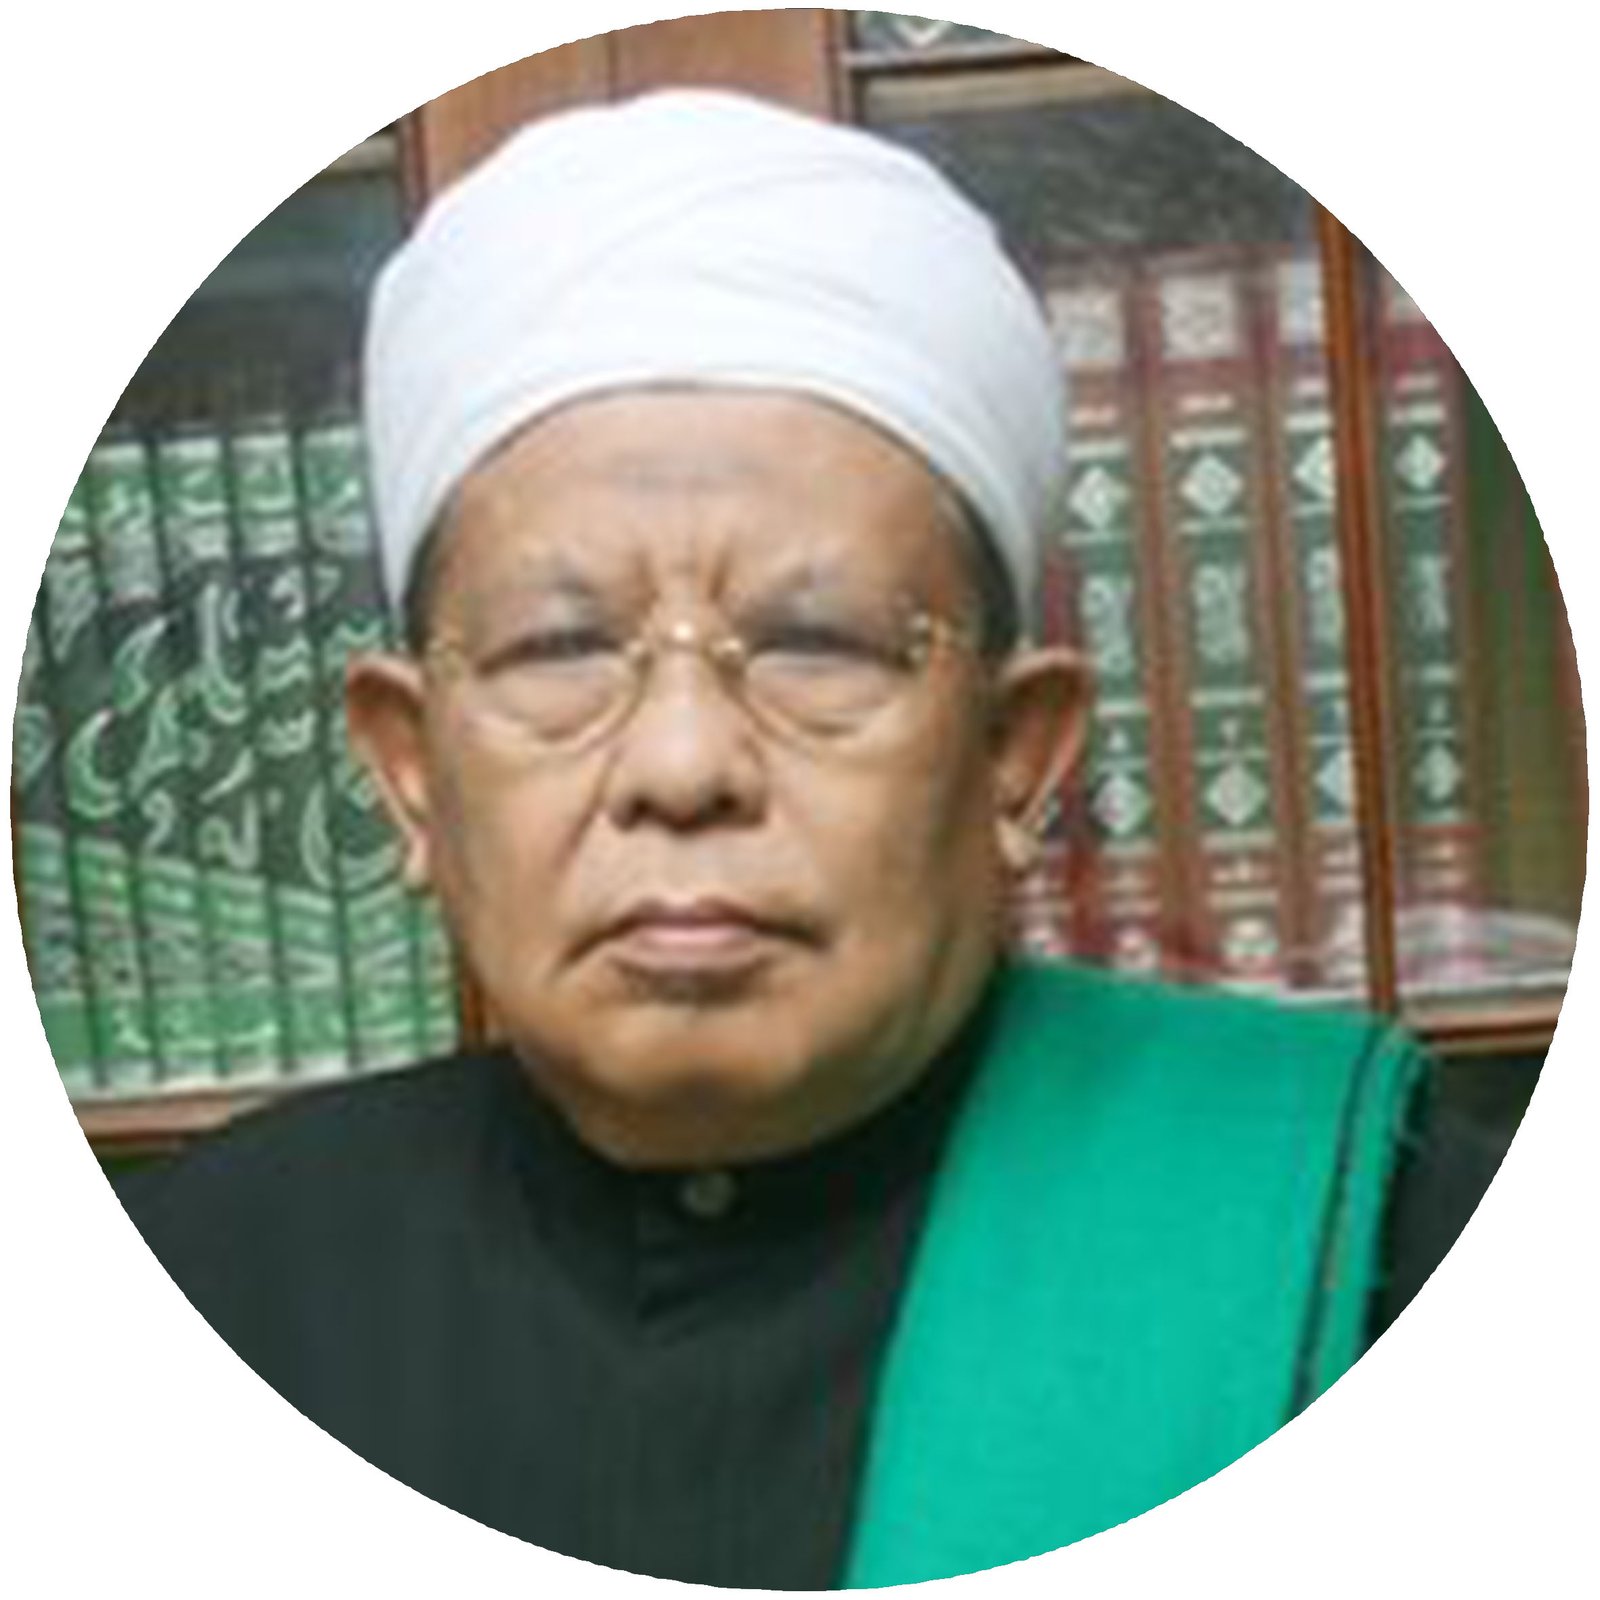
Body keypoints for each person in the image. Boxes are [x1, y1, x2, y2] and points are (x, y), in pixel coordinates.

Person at [113, 89, 1505, 1589]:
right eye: (559, 648)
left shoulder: (1383, 1248)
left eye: (819, 642)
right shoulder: (204, 1288)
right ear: (409, 774)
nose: (684, 766)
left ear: (1016, 756)